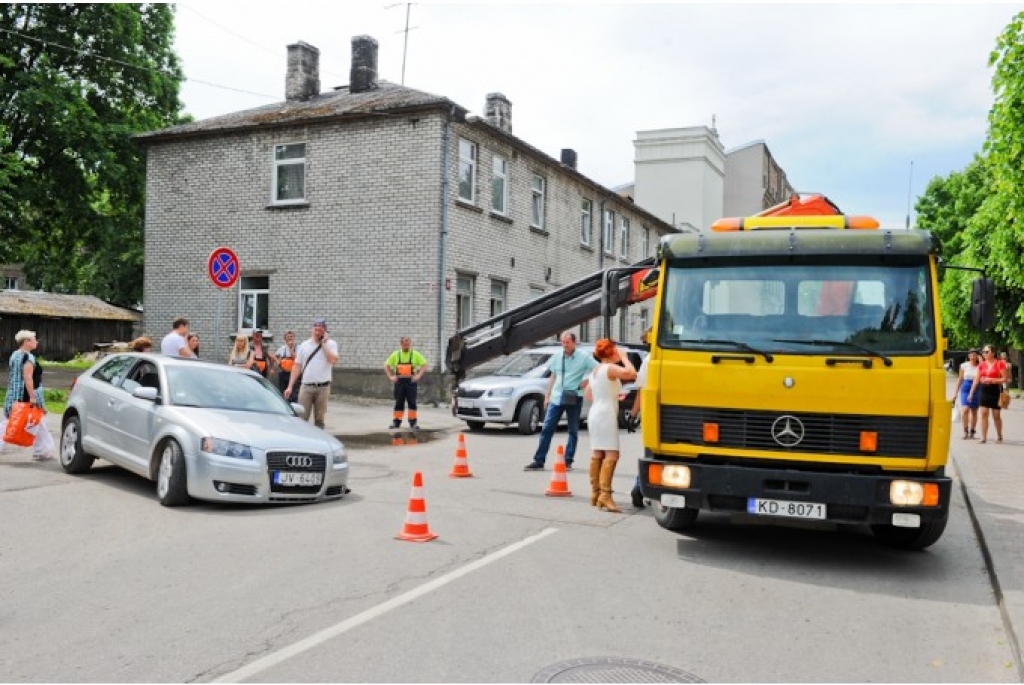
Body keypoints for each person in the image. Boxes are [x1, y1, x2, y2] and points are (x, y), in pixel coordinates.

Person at [524, 331, 598, 471]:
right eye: (562, 342)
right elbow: (553, 375)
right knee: (546, 429)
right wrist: (547, 395)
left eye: (567, 343)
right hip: (556, 398)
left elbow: (599, 369)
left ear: (574, 343)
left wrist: (586, 382)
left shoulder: (583, 357)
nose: (564, 345)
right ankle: (539, 461)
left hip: (574, 396)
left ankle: (568, 461)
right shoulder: (558, 356)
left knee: (573, 431)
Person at [584, 338, 637, 512]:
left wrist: (611, 395)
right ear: (611, 352)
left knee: (598, 452)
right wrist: (625, 358)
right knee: (612, 454)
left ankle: (595, 493)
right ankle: (605, 495)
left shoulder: (595, 371)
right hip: (606, 414)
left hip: (595, 413)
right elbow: (632, 374)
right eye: (616, 351)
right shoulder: (610, 368)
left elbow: (588, 395)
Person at [0, 330, 55, 461]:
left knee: (37, 422)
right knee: (12, 422)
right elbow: (28, 378)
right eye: (34, 339)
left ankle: (43, 451)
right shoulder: (28, 358)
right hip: (25, 395)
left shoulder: (14, 355)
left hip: (14, 394)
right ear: (26, 342)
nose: (36, 341)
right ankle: (42, 451)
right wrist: (32, 397)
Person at [285, 318, 339, 429]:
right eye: (316, 329)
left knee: (319, 419)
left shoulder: (331, 344)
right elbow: (297, 366)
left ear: (325, 331)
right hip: (306, 386)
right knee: (302, 417)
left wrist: (324, 344)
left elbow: (333, 360)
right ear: (312, 330)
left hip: (323, 387)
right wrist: (290, 386)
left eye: (320, 330)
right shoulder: (305, 345)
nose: (318, 332)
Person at [385, 337, 428, 430]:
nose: (406, 346)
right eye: (405, 344)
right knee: (399, 402)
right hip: (399, 382)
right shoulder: (396, 354)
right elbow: (386, 365)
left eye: (408, 344)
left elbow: (425, 364)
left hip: (411, 382)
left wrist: (418, 375)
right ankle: (396, 422)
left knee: (412, 402)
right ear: (401, 344)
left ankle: (413, 423)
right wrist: (390, 376)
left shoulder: (415, 354)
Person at [968, 344, 1008, 444]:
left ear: (993, 353)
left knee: (996, 416)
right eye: (983, 352)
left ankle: (999, 435)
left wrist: (991, 380)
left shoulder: (1000, 363)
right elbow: (976, 379)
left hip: (995, 390)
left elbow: (1004, 379)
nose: (984, 354)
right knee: (984, 413)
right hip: (983, 390)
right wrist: (971, 392)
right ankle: (984, 437)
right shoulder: (981, 365)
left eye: (986, 352)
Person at [954, 349, 981, 439]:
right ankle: (965, 431)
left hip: (977, 388)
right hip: (965, 388)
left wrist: (980, 360)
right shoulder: (964, 366)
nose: (972, 357)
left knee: (974, 410)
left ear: (977, 356)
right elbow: (960, 379)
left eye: (974, 355)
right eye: (971, 355)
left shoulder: (980, 366)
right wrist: (955, 393)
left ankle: (972, 430)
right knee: (965, 409)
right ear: (968, 356)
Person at [275, 330, 299, 401]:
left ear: (294, 337)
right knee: (283, 392)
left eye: (291, 336)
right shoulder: (282, 348)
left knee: (294, 393)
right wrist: (278, 362)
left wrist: (291, 348)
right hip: (283, 373)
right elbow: (276, 357)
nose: (290, 338)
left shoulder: (298, 347)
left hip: (294, 374)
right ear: (285, 338)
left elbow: (296, 358)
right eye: (288, 337)